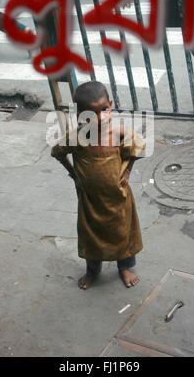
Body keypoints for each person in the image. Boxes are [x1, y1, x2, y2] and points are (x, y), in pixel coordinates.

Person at [51, 81, 145, 290]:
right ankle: (92, 271)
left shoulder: (119, 132)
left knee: (123, 232)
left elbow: (137, 147)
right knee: (91, 235)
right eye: (91, 115)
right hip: (90, 201)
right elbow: (58, 153)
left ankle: (125, 267)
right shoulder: (77, 138)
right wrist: (74, 174)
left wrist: (127, 171)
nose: (101, 118)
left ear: (110, 105)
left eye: (104, 110)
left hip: (118, 198)